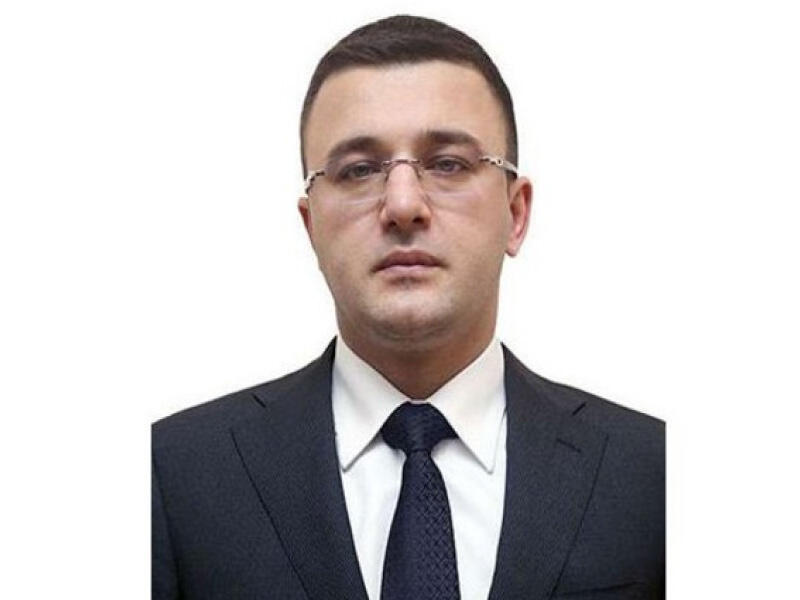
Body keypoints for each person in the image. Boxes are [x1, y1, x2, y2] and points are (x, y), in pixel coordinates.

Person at [152, 14, 665, 600]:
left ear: (515, 214)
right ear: (311, 227)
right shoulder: (173, 476)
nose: (402, 205)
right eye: (358, 170)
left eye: (448, 163)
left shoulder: (653, 475)